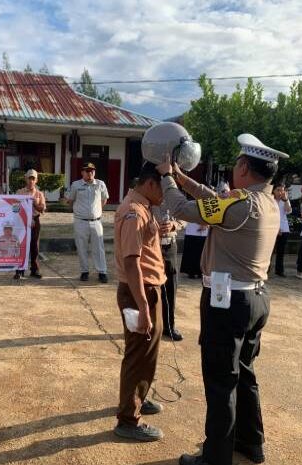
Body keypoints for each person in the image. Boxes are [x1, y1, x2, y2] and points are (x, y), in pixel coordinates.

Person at [156, 133, 289, 465]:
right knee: (244, 374)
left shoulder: (240, 204)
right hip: (256, 299)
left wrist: (167, 177)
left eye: (236, 164)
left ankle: (215, 458)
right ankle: (250, 444)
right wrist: (184, 177)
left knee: (220, 381)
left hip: (227, 303)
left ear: (243, 167)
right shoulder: (266, 202)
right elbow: (215, 199)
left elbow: (181, 208)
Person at [113, 162, 166, 442]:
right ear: (150, 184)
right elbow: (132, 264)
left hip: (146, 289)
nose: (166, 194)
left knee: (147, 354)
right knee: (137, 355)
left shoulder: (143, 207)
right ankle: (128, 420)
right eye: (164, 187)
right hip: (139, 291)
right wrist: (144, 307)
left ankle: (137, 398)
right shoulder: (135, 211)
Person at [66, 162, 109, 283]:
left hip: (96, 221)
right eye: (87, 171)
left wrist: (95, 212)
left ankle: (102, 272)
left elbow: (104, 200)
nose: (90, 173)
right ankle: (84, 271)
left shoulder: (100, 184)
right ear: (82, 172)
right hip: (80, 221)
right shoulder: (76, 185)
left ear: (94, 172)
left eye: (92, 171)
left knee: (99, 248)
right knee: (81, 247)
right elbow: (70, 200)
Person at [152, 202, 185, 341]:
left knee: (170, 288)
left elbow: (185, 217)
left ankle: (169, 327)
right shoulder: (148, 197)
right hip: (152, 246)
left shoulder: (174, 198)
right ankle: (151, 327)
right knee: (151, 287)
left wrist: (174, 224)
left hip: (170, 245)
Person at [15, 169, 46, 279]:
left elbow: (42, 209)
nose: (31, 181)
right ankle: (19, 270)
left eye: (33, 178)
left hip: (35, 220)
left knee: (34, 246)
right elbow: (14, 207)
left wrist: (35, 204)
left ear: (36, 180)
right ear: (25, 179)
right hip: (22, 221)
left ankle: (35, 270)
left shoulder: (39, 194)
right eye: (29, 178)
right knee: (21, 244)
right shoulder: (19, 192)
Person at [271, 183, 291, 277]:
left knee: (281, 251)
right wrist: (276, 228)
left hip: (284, 228)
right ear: (273, 190)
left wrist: (286, 200)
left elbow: (289, 210)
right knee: (269, 251)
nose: (280, 192)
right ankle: (265, 270)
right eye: (278, 190)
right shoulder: (270, 200)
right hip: (271, 228)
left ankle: (279, 270)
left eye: (282, 190)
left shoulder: (285, 200)